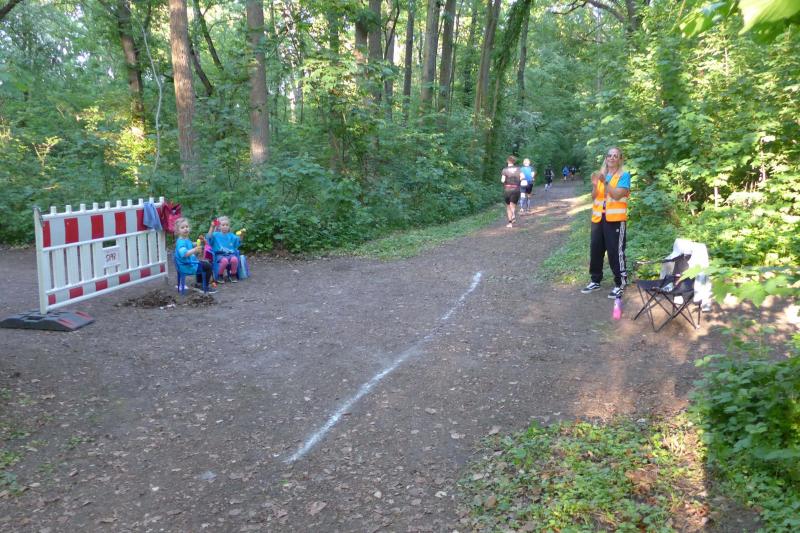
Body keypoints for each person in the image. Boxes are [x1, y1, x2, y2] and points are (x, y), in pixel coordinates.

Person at [581, 147, 631, 299]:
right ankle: (595, 280)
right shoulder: (601, 174)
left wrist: (605, 182)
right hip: (598, 218)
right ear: (606, 158)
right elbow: (594, 197)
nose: (612, 158)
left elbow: (616, 195)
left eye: (615, 156)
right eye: (609, 155)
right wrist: (595, 184)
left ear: (620, 159)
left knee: (615, 251)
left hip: (615, 220)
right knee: (595, 249)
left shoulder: (624, 175)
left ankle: (620, 283)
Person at [174, 217, 217, 293]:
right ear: (178, 231)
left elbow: (190, 244)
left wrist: (199, 242)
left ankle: (199, 284)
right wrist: (194, 250)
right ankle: (205, 286)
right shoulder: (181, 242)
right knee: (208, 266)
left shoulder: (185, 239)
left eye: (187, 227)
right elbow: (184, 254)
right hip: (187, 266)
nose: (185, 229)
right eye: (182, 227)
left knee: (203, 264)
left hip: (188, 264)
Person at [206, 216, 242, 283]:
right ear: (219, 227)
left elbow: (237, 243)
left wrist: (241, 236)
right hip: (219, 255)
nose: (225, 226)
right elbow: (209, 238)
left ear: (229, 226)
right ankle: (220, 275)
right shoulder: (216, 235)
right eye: (223, 225)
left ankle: (233, 274)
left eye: (227, 225)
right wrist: (212, 227)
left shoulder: (231, 235)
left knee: (234, 259)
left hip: (230, 254)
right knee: (224, 261)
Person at [500, 155, 521, 228]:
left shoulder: (504, 170)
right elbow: (522, 177)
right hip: (516, 189)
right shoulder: (519, 169)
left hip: (507, 189)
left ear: (507, 161)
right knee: (513, 204)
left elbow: (502, 180)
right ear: (514, 161)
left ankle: (510, 223)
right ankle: (513, 214)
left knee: (508, 206)